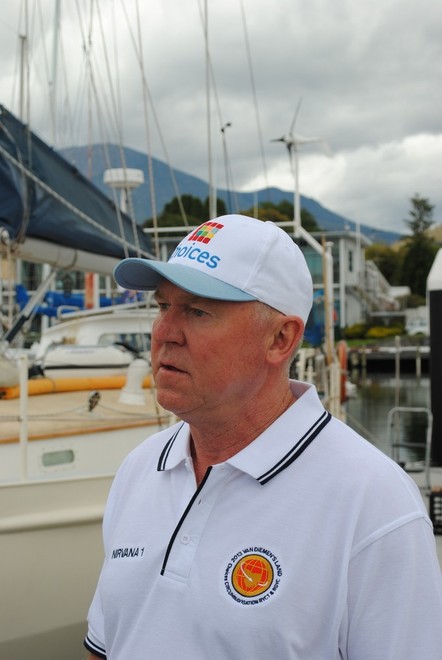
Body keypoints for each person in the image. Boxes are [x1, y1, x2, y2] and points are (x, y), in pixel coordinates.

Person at [84, 214, 442, 660]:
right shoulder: (140, 468)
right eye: (162, 306)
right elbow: (106, 645)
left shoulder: (374, 503)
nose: (164, 333)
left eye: (197, 310)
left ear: (280, 339)